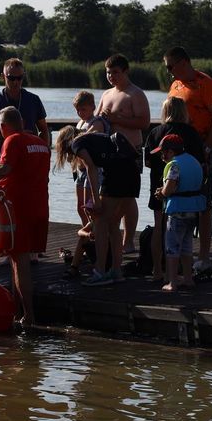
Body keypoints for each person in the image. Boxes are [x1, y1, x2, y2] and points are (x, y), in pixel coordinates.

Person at [0, 106, 50, 326]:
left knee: (20, 262)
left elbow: (4, 168)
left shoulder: (13, 141)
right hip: (40, 208)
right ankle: (17, 311)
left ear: (3, 126)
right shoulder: (41, 143)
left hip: (19, 209)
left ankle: (28, 316)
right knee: (18, 259)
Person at [163, 46, 212, 278]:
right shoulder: (175, 86)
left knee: (203, 201)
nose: (169, 72)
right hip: (177, 151)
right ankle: (177, 255)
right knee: (177, 199)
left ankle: (204, 256)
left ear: (184, 62)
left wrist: (207, 146)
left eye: (171, 67)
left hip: (200, 148)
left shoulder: (205, 84)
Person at [55, 125, 139, 286]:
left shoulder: (77, 144)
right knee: (113, 223)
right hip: (133, 174)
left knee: (100, 222)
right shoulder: (94, 139)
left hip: (117, 175)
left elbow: (91, 169)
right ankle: (116, 271)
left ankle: (100, 271)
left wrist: (96, 200)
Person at [143, 98, 204, 280]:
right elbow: (199, 161)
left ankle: (157, 270)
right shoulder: (192, 133)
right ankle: (182, 271)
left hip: (158, 184)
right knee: (184, 234)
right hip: (186, 192)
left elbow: (147, 162)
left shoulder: (154, 132)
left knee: (159, 227)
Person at [97, 54, 151, 256]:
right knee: (110, 196)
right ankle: (112, 238)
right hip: (110, 154)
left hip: (130, 152)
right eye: (108, 72)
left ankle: (128, 241)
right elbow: (98, 119)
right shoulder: (106, 94)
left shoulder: (135, 94)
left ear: (125, 71)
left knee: (128, 197)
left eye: (115, 72)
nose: (111, 76)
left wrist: (116, 118)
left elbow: (144, 123)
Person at [153, 134, 205, 292]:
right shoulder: (193, 160)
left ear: (170, 151)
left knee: (172, 247)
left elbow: (169, 188)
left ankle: (172, 282)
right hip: (194, 210)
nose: (162, 155)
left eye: (163, 152)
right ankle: (188, 279)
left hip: (177, 210)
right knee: (187, 246)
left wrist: (161, 193)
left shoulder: (174, 164)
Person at [0, 58, 49, 156]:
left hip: (30, 153)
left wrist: (45, 153)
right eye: (11, 78)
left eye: (20, 78)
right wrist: (16, 134)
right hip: (5, 153)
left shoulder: (34, 100)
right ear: (3, 77)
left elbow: (44, 130)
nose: (16, 82)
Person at [70, 90, 108, 227]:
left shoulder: (96, 122)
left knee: (89, 205)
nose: (80, 113)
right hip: (81, 170)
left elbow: (86, 138)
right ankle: (87, 233)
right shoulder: (80, 123)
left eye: (83, 109)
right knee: (80, 207)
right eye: (78, 110)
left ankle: (95, 233)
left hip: (94, 168)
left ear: (93, 106)